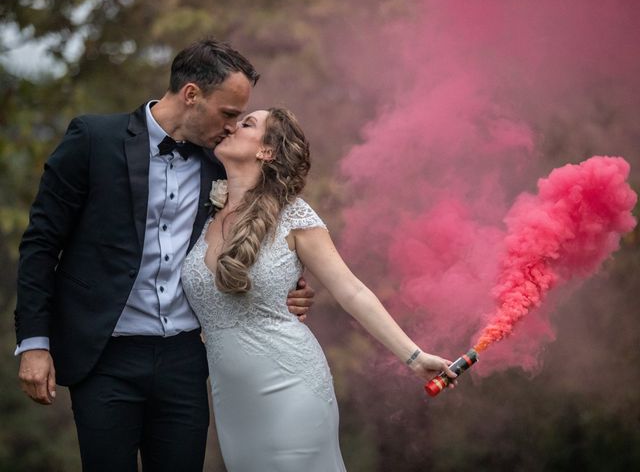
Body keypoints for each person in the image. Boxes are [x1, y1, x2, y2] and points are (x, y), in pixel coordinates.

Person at [14, 39, 315, 471]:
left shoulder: (221, 164)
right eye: (228, 114)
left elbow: (254, 234)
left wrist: (288, 290)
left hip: (185, 359)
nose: (233, 128)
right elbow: (41, 243)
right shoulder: (94, 139)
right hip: (103, 356)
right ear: (191, 94)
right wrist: (35, 343)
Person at [180, 107, 458, 471]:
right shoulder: (203, 218)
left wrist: (414, 357)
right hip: (231, 404)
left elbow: (351, 291)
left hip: (290, 389)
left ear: (267, 151)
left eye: (247, 124)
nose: (233, 126)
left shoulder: (294, 216)